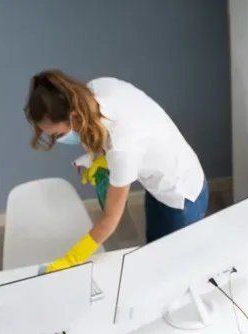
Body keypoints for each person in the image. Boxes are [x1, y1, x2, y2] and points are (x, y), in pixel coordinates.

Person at [24, 70, 208, 272]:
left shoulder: (122, 145)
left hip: (181, 196)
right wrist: (100, 159)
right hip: (160, 184)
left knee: (172, 270)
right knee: (154, 254)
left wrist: (71, 260)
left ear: (74, 117)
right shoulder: (96, 89)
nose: (58, 141)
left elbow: (111, 220)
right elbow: (109, 131)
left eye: (58, 134)